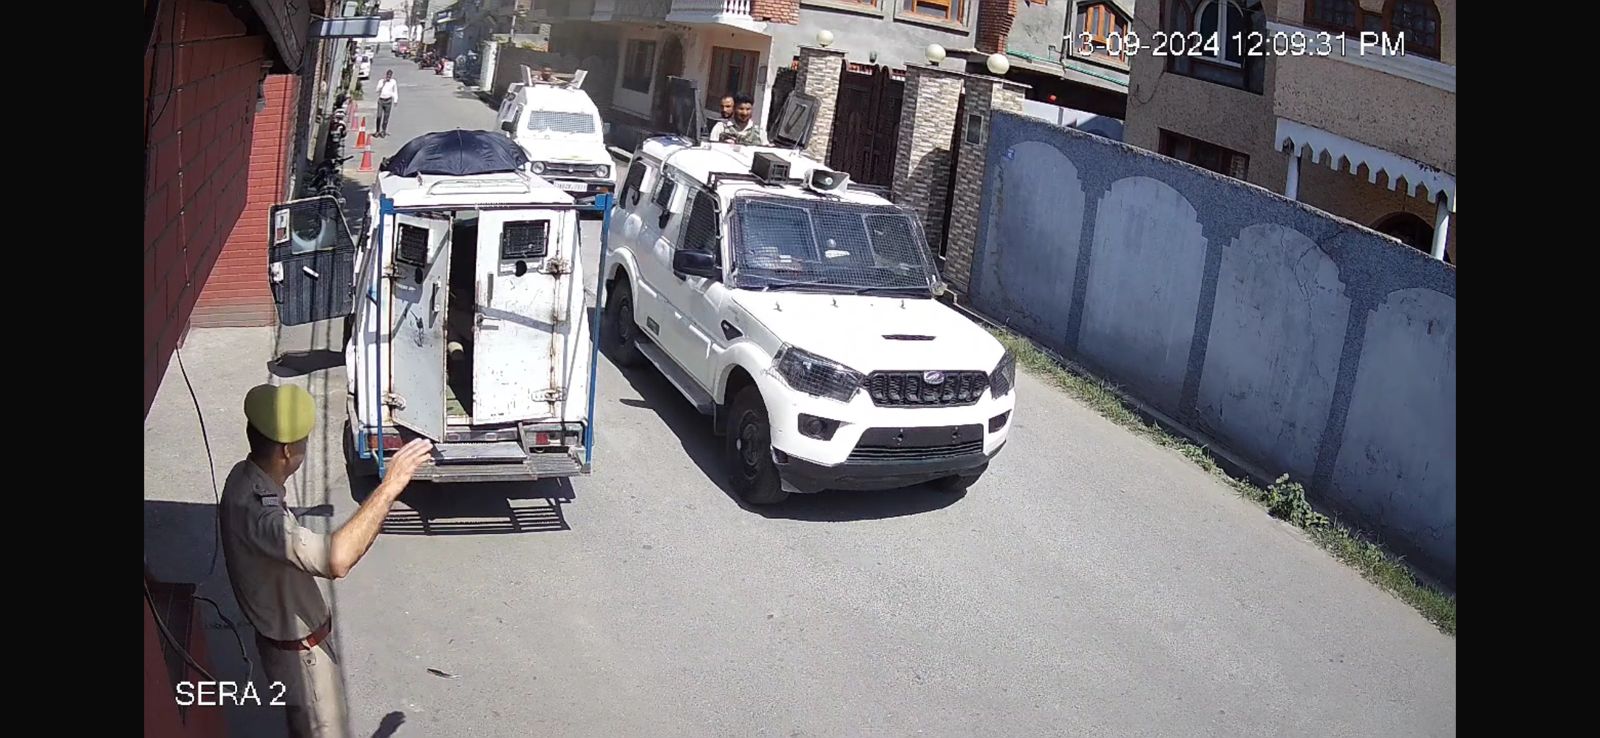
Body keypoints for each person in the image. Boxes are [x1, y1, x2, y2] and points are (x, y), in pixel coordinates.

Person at [220, 383, 433, 738]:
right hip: (303, 660)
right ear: (288, 452)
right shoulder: (261, 514)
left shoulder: (242, 477)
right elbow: (337, 559)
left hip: (286, 649)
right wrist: (391, 485)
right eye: (303, 440)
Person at [374, 69, 398, 138]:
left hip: (388, 101)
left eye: (390, 76)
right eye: (388, 75)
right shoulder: (381, 81)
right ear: (386, 75)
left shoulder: (393, 82)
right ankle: (377, 130)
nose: (388, 77)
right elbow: (377, 90)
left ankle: (383, 131)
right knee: (379, 116)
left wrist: (395, 100)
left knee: (386, 118)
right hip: (381, 101)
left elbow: (395, 91)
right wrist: (383, 84)